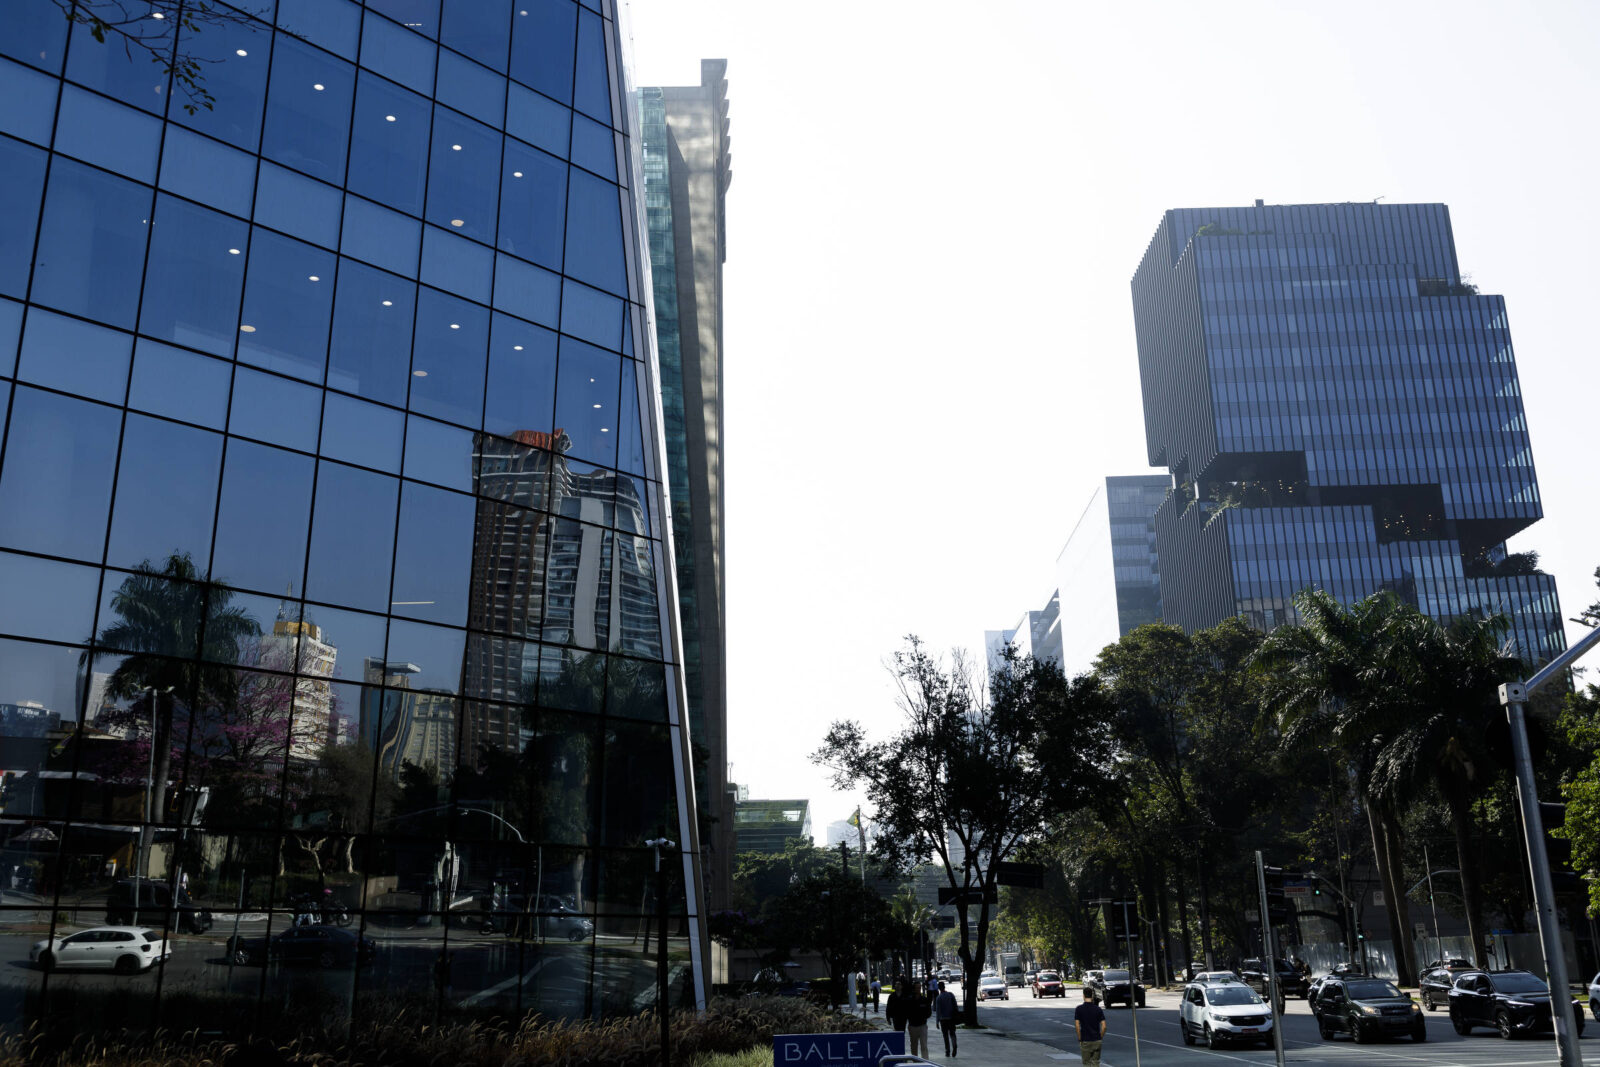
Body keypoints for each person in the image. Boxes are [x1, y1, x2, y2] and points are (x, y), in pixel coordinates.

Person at [1074, 987, 1107, 1067]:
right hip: (1097, 1040)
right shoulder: (1098, 1009)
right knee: (1096, 1062)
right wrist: (1100, 1037)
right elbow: (1104, 1026)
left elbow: (1077, 1026)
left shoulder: (1079, 1009)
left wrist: (1080, 1038)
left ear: (1083, 996)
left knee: (1086, 1063)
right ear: (1092, 996)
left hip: (1085, 1040)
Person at [904, 981, 933, 1060]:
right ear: (914, 989)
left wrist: (923, 1017)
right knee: (914, 1046)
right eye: (917, 988)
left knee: (924, 1045)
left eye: (919, 988)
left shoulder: (924, 1000)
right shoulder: (909, 1000)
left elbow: (929, 1012)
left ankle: (926, 1061)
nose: (918, 989)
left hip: (922, 1025)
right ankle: (915, 1061)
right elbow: (906, 1012)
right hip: (912, 1026)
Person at [935, 981, 960, 1057]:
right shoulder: (950, 995)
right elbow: (955, 1005)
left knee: (945, 1036)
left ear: (939, 988)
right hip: (951, 1018)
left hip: (943, 1020)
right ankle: (954, 1045)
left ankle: (947, 1051)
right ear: (944, 986)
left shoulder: (938, 998)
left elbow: (938, 1011)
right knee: (952, 1033)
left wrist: (937, 1021)